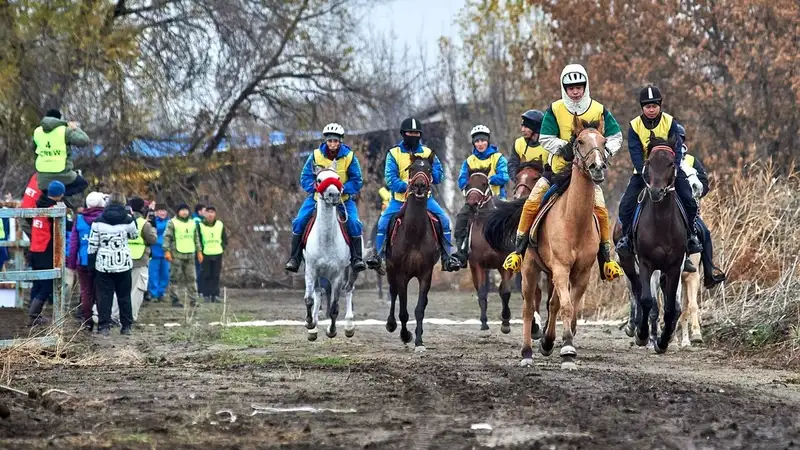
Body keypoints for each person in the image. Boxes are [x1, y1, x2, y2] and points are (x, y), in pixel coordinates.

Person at [503, 64, 624, 282]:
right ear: (564, 88)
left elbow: (616, 136)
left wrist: (602, 152)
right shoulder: (555, 109)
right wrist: (564, 147)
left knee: (602, 211)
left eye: (579, 86)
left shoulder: (598, 108)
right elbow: (545, 137)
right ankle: (518, 252)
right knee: (531, 202)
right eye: (571, 87)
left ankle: (606, 260)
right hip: (557, 171)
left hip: (587, 176)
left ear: (585, 86)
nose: (575, 91)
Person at [615, 85, 703, 272]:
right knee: (626, 204)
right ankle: (627, 240)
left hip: (669, 172)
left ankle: (691, 238)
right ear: (642, 108)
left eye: (654, 106)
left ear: (660, 106)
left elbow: (677, 148)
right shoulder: (634, 126)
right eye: (647, 106)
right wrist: (645, 173)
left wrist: (676, 168)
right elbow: (635, 152)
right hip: (644, 174)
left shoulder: (670, 122)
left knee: (689, 199)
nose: (651, 109)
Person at [365, 117, 461, 272]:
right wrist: (406, 187)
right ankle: (378, 257)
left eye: (416, 133)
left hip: (425, 200)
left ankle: (447, 257)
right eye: (410, 132)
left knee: (444, 220)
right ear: (403, 134)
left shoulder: (429, 153)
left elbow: (438, 175)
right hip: (399, 200)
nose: (413, 135)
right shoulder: (393, 153)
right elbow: (390, 178)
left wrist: (430, 176)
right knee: (383, 222)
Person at [285, 123, 366, 273]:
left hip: (343, 199)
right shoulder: (315, 156)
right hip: (318, 198)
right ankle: (294, 258)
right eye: (330, 141)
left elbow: (357, 180)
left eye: (335, 141)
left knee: (354, 223)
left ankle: (357, 259)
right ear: (326, 141)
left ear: (340, 141)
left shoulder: (349, 157)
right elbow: (305, 177)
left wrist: (342, 189)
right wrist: (315, 188)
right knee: (299, 221)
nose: (332, 144)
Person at [674, 124, 727, 288]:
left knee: (705, 232)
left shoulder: (691, 160)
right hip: (666, 207)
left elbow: (704, 183)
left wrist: (695, 192)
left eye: (678, 139)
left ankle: (710, 271)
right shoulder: (662, 157)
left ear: (682, 140)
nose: (676, 142)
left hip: (688, 210)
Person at [451, 125, 510, 267]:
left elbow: (504, 176)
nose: (480, 144)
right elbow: (461, 180)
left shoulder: (498, 158)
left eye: (483, 140)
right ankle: (461, 252)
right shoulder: (469, 161)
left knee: (510, 220)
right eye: (477, 141)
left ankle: (514, 251)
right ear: (473, 143)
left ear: (488, 141)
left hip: (496, 199)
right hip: (475, 201)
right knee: (461, 219)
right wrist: (469, 186)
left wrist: (490, 180)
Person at [88, 193, 138, 337]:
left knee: (104, 296)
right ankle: (126, 326)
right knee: (124, 296)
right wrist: (132, 216)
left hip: (103, 263)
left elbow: (92, 244)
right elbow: (134, 235)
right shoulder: (128, 220)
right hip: (123, 262)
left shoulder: (98, 221)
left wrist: (91, 265)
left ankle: (104, 326)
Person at [27, 181, 67, 326]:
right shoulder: (52, 209)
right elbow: (66, 225)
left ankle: (33, 315)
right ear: (61, 193)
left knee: (37, 283)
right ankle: (33, 314)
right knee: (47, 285)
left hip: (34, 249)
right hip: (45, 250)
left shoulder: (38, 205)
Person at [67, 191, 106, 331]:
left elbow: (73, 243)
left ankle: (87, 321)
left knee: (85, 292)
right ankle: (103, 321)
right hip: (102, 261)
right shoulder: (105, 218)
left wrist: (71, 263)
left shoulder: (79, 219)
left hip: (83, 261)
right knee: (102, 291)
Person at [32, 109, 90, 197]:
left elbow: (34, 149)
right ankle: (58, 197)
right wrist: (75, 128)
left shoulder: (37, 132)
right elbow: (84, 141)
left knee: (48, 192)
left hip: (43, 179)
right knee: (82, 184)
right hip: (64, 175)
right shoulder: (64, 131)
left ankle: (49, 200)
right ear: (59, 119)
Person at [163, 204, 201, 307]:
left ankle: (193, 300)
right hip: (176, 255)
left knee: (192, 278)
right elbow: (167, 237)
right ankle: (175, 300)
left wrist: (199, 251)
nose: (184, 212)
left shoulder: (192, 223)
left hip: (190, 255)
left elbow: (196, 238)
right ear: (178, 211)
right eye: (182, 210)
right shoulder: (172, 222)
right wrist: (166, 251)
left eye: (186, 210)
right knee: (174, 278)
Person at [126, 197, 157, 322]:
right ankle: (131, 316)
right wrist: (152, 225)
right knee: (136, 291)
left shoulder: (124, 221)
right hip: (140, 260)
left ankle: (116, 316)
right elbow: (152, 239)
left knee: (121, 291)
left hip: (123, 260)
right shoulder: (144, 223)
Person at [198, 205, 227, 302]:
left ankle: (215, 295)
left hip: (217, 253)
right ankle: (206, 295)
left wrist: (222, 247)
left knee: (216, 275)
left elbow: (224, 239)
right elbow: (198, 239)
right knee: (206, 274)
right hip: (206, 253)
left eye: (212, 212)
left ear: (215, 214)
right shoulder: (200, 225)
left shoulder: (219, 224)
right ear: (205, 214)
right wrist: (200, 251)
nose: (210, 214)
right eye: (208, 212)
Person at [508, 110, 548, 180]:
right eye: (522, 126)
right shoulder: (518, 143)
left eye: (526, 127)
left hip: (545, 182)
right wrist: (518, 179)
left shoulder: (548, 144)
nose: (522, 130)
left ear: (536, 128)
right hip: (524, 182)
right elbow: (512, 165)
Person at [148, 203, 171, 302]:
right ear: (156, 212)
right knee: (153, 274)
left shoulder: (170, 222)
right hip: (154, 252)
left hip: (165, 252)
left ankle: (161, 293)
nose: (162, 213)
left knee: (165, 274)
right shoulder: (152, 222)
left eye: (164, 210)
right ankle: (154, 294)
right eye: (160, 211)